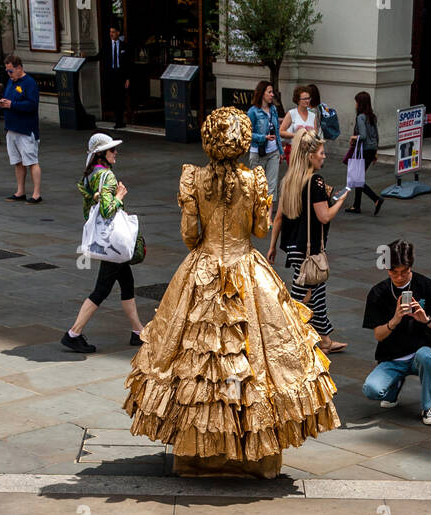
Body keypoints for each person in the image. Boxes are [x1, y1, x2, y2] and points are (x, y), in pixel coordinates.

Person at [125, 108, 340, 478]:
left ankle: (199, 455)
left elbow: (190, 236)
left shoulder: (192, 179)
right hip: (246, 270)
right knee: (254, 361)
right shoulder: (255, 179)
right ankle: (253, 455)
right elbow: (258, 227)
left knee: (199, 364)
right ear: (242, 142)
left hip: (203, 270)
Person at [270, 127, 350, 354]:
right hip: (309, 247)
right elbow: (324, 216)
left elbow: (278, 217)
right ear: (310, 156)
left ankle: (323, 339)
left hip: (294, 247)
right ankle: (286, 335)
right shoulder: (315, 181)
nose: (324, 156)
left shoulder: (290, 180)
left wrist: (273, 246)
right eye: (322, 152)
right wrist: (341, 200)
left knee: (315, 292)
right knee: (302, 295)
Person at [62, 133, 144, 353]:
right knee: (101, 290)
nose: (116, 152)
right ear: (102, 154)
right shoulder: (106, 176)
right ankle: (73, 333)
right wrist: (120, 195)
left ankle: (138, 331)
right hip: (112, 242)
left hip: (106, 241)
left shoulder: (91, 175)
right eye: (112, 150)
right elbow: (108, 210)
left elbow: (89, 208)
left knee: (126, 283)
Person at [362, 238, 431, 425]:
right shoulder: (379, 292)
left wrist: (426, 320)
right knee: (371, 390)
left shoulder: (427, 286)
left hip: (421, 353)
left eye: (404, 272)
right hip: (392, 357)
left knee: (426, 356)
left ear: (411, 267)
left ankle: (428, 406)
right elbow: (378, 335)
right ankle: (395, 384)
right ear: (386, 269)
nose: (399, 277)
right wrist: (395, 320)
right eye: (394, 272)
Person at [0, 54, 41, 203]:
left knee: (31, 161)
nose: (9, 74)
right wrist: (4, 103)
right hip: (12, 128)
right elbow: (10, 98)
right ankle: (20, 191)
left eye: (11, 71)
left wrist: (12, 105)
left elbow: (32, 105)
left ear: (19, 68)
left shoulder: (29, 83)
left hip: (26, 129)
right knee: (17, 161)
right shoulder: (11, 82)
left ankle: (36, 193)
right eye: (7, 71)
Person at [345, 90, 383, 215]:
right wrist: (376, 151)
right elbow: (376, 136)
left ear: (360, 104)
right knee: (358, 177)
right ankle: (356, 206)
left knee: (357, 178)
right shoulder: (372, 116)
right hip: (371, 150)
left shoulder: (361, 117)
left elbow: (363, 136)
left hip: (363, 150)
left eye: (356, 102)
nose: (355, 105)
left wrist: (353, 138)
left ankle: (376, 199)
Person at [247, 80, 283, 204]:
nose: (272, 94)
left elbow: (277, 130)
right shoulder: (253, 111)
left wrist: (281, 150)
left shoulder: (273, 109)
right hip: (258, 153)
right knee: (258, 186)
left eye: (272, 92)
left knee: (272, 185)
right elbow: (247, 133)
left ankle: (268, 217)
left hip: (273, 152)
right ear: (262, 94)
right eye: (270, 92)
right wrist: (263, 138)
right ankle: (258, 215)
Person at [279, 85, 318, 158]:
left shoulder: (313, 116)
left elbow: (315, 135)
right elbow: (281, 132)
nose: (307, 101)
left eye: (309, 98)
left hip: (308, 151)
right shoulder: (292, 113)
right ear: (298, 100)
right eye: (304, 99)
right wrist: (296, 135)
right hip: (293, 150)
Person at [103, 23, 129, 128]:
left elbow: (128, 63)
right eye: (110, 32)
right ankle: (117, 119)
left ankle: (120, 120)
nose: (111, 34)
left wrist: (128, 78)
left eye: (113, 32)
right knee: (114, 98)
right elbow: (100, 56)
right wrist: (86, 58)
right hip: (111, 75)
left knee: (121, 98)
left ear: (118, 33)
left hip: (121, 75)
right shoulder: (106, 46)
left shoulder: (124, 46)